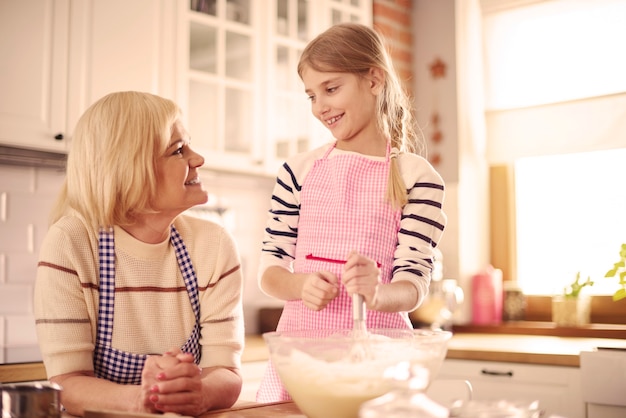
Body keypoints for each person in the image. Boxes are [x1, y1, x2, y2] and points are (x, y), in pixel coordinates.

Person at [256, 22, 447, 402]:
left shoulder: (416, 177)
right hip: (302, 362)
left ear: (374, 80)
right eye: (311, 95)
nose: (319, 106)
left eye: (331, 88)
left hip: (380, 364)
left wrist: (377, 293)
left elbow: (413, 285)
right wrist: (299, 285)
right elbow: (270, 271)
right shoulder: (297, 171)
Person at [33, 91, 245, 416]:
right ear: (128, 167)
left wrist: (198, 393)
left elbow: (227, 373)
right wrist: (140, 400)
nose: (198, 158)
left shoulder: (212, 245)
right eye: (178, 150)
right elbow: (67, 385)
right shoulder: (71, 243)